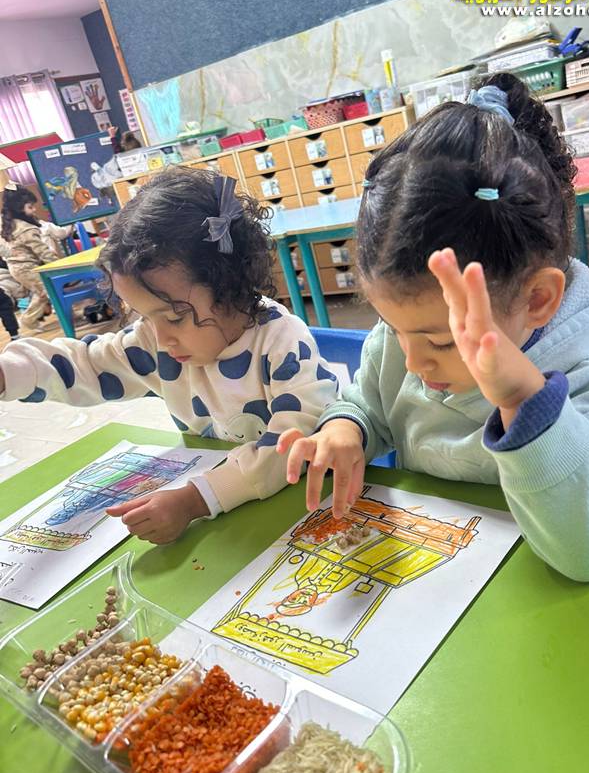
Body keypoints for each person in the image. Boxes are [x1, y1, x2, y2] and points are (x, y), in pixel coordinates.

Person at [279, 74, 589, 583]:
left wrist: (523, 400)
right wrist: (346, 428)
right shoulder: (408, 338)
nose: (413, 361)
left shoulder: (585, 370)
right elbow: (369, 402)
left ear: (537, 299)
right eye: (393, 328)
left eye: (441, 339)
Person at [0, 168, 339, 544]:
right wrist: (10, 372)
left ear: (230, 287)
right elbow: (87, 366)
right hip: (226, 521)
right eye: (145, 316)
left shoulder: (281, 342)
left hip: (300, 511)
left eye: (174, 317)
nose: (160, 337)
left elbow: (291, 447)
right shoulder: (156, 341)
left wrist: (195, 500)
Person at [1, 184, 56, 330]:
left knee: (42, 292)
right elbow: (42, 251)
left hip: (16, 267)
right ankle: (28, 320)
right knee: (46, 291)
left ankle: (30, 319)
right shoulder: (26, 228)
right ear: (19, 209)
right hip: (26, 268)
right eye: (30, 207)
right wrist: (57, 264)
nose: (34, 210)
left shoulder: (6, 223)